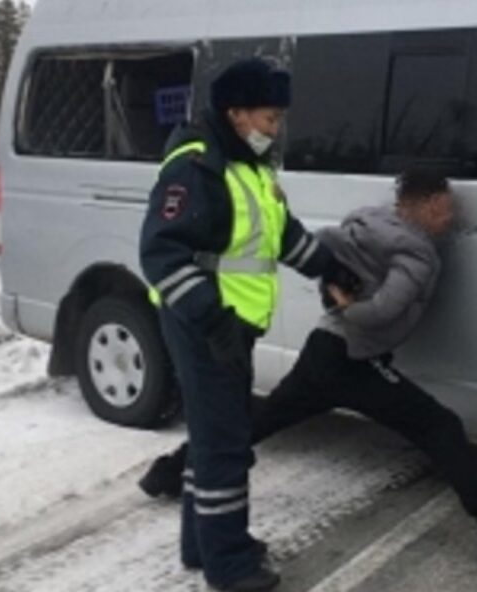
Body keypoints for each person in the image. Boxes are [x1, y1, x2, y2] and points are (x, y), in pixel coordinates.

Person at [141, 170, 477, 578]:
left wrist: (335, 293)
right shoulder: (417, 254)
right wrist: (350, 306)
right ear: (423, 203)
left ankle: (170, 470)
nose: (449, 218)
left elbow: (324, 245)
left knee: (256, 422)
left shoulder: (368, 221)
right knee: (441, 426)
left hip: (324, 350)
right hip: (351, 359)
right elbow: (382, 311)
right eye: (443, 208)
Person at [139, 58, 338, 592]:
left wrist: (331, 268)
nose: (275, 130)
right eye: (269, 119)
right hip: (204, 323)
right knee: (225, 442)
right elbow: (161, 255)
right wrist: (213, 321)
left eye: (278, 120)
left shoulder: (250, 169)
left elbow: (282, 235)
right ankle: (230, 565)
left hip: (233, 323)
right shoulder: (197, 166)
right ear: (236, 113)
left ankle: (203, 545)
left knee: (212, 437)